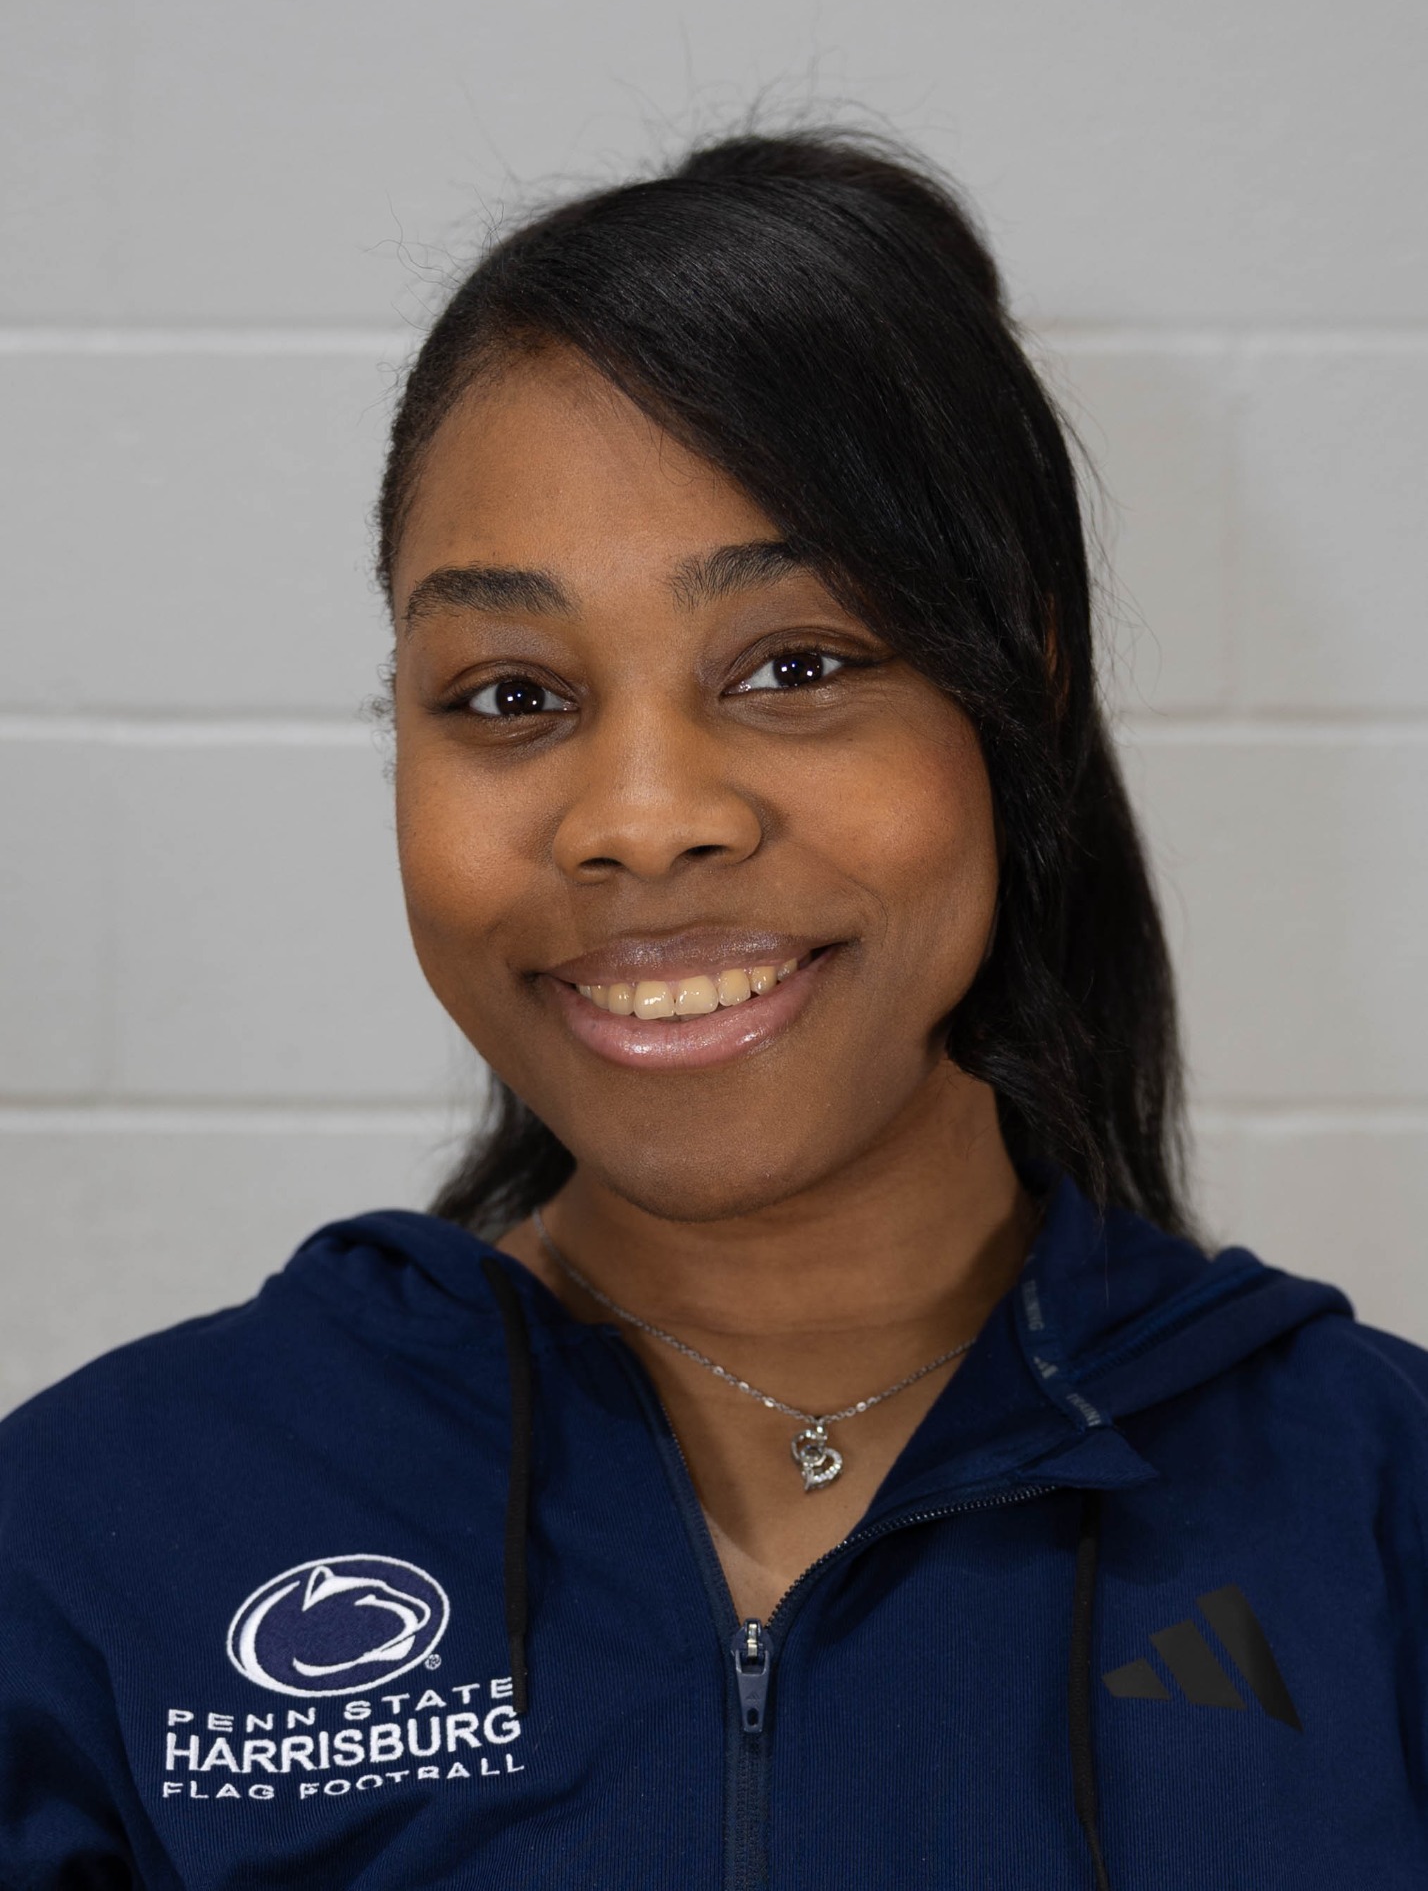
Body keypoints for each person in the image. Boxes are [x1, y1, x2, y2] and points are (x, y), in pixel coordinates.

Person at [1, 127, 1424, 1891]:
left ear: (1021, 693)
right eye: (512, 693)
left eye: (795, 667)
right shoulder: (96, 1538)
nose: (640, 814)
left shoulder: (1383, 1519)